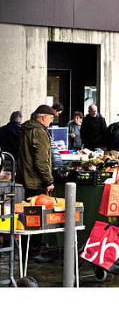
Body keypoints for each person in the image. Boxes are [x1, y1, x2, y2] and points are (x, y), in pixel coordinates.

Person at [17, 105, 56, 263]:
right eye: (51, 118)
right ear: (43, 117)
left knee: (28, 218)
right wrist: (49, 180)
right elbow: (41, 160)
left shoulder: (26, 129)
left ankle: (27, 251)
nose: (51, 121)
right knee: (37, 218)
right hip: (36, 181)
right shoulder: (39, 131)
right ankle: (34, 252)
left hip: (26, 179)